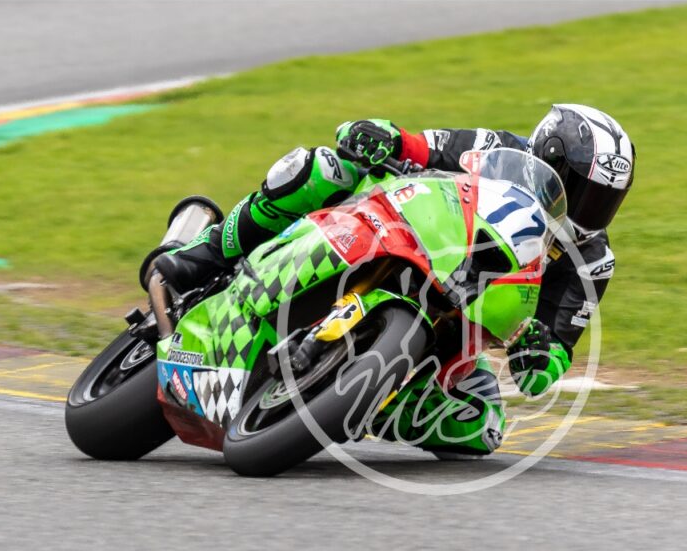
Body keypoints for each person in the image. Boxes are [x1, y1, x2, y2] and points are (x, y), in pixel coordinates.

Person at [153, 104, 635, 457]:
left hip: (456, 328)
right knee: (322, 169)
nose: (589, 212)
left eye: (604, 202)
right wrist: (380, 137)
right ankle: (207, 252)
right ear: (547, 157)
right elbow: (420, 146)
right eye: (582, 192)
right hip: (402, 235)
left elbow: (556, 351)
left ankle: (370, 400)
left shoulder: (591, 261)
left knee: (482, 427)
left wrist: (538, 356)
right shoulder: (497, 150)